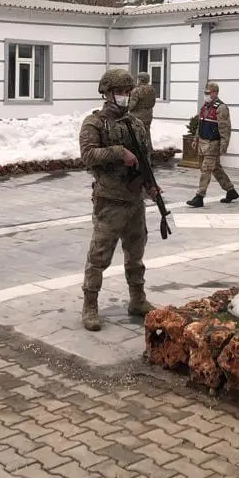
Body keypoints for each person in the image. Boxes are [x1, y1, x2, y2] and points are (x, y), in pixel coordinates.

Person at [78, 69, 157, 331]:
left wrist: (151, 185)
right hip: (110, 201)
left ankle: (137, 299)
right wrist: (118, 152)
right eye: (119, 92)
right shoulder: (95, 123)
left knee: (136, 255)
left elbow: (146, 158)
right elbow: (88, 155)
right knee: (99, 257)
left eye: (127, 91)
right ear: (107, 93)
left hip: (134, 200)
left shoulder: (136, 124)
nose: (124, 96)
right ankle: (90, 305)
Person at [186, 82, 239, 208]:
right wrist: (196, 138)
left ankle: (199, 196)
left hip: (213, 143)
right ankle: (231, 191)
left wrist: (224, 146)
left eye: (208, 93)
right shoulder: (205, 106)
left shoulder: (221, 108)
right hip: (204, 142)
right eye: (205, 93)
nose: (206, 95)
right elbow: (200, 124)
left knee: (206, 169)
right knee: (216, 168)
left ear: (215, 93)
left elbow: (225, 128)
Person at [128, 71, 157, 153]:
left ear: (140, 79)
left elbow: (132, 104)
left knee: (137, 134)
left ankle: (140, 152)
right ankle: (149, 150)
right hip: (148, 114)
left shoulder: (137, 90)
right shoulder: (152, 89)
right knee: (147, 133)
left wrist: (125, 108)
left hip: (137, 115)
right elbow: (153, 102)